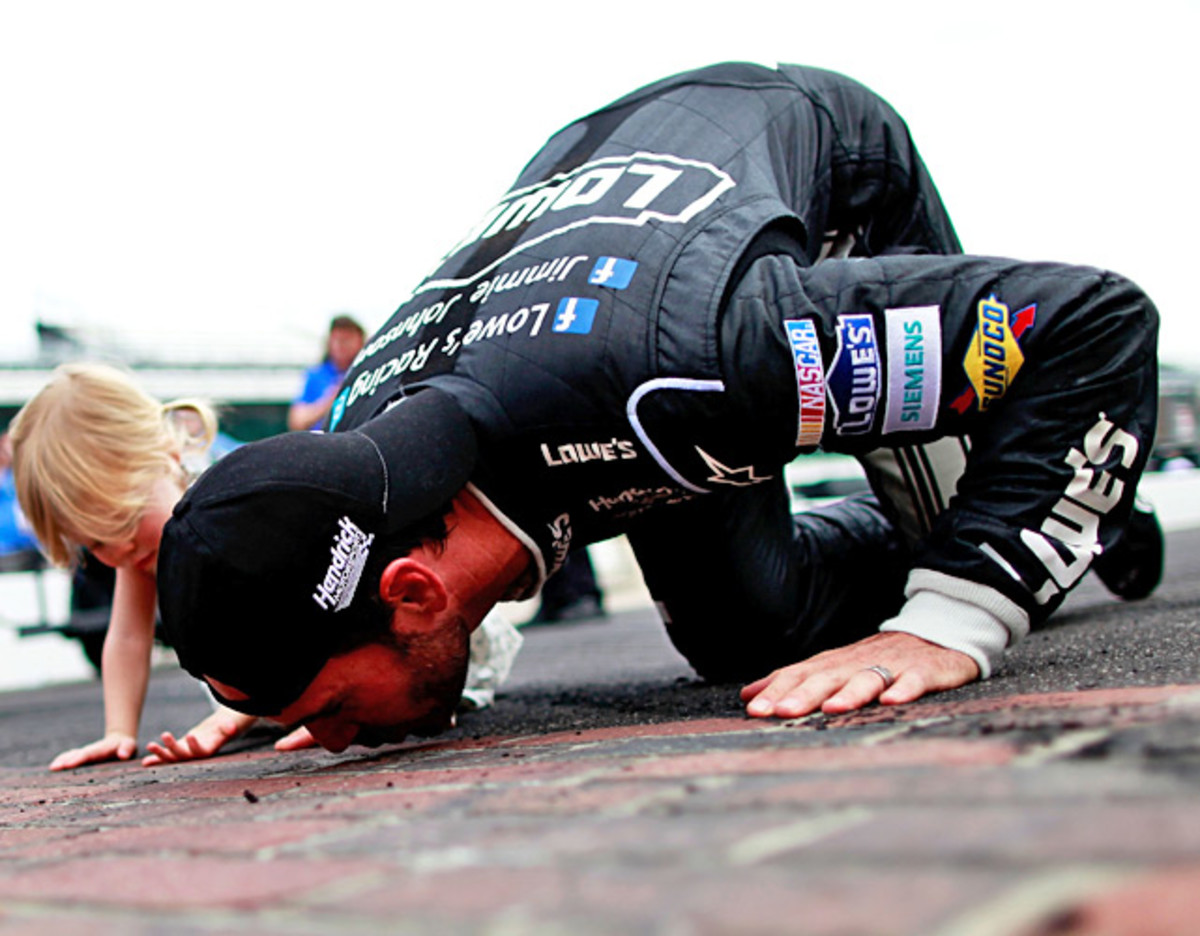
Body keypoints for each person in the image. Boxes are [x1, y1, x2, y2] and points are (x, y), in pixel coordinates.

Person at [158, 63, 1161, 754]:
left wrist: (955, 615)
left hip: (792, 157)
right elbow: (292, 575)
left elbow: (1093, 324)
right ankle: (1026, 506)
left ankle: (1085, 517)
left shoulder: (699, 363)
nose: (322, 738)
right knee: (743, 640)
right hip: (585, 265)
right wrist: (252, 692)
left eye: (327, 709)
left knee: (966, 550)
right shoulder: (352, 462)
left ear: (416, 591)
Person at [8, 363, 314, 769]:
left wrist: (260, 705)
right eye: (96, 542)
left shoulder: (229, 514)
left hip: (315, 673)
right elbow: (128, 637)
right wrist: (119, 731)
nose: (120, 550)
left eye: (126, 520)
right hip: (262, 710)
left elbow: (294, 612)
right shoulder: (135, 549)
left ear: (166, 457)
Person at [287, 314, 366, 431]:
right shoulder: (316, 374)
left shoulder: (366, 373)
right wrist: (331, 401)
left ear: (360, 342)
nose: (340, 345)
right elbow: (296, 421)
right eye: (337, 339)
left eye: (347, 340)